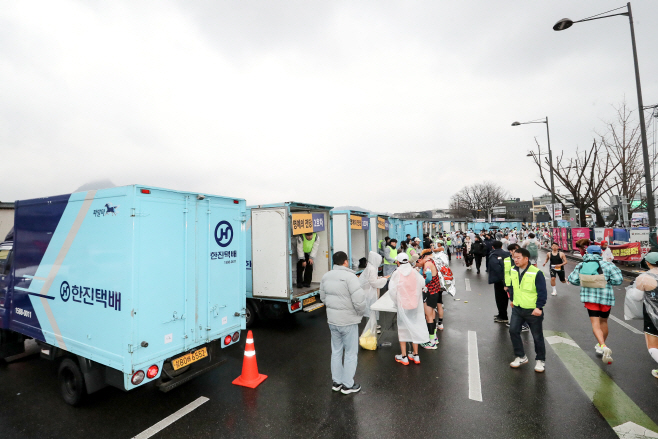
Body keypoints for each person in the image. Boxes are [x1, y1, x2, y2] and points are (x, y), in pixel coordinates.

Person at [319, 251, 366, 394]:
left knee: (336, 352)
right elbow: (359, 301)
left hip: (333, 321)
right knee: (351, 353)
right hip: (348, 321)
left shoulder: (326, 276)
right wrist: (359, 313)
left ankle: (336, 382)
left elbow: (323, 297)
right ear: (345, 261)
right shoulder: (350, 277)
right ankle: (347, 385)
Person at [567, 245, 623, 365]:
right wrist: (606, 282)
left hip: (590, 299)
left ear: (587, 253)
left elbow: (572, 280)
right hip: (606, 298)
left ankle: (602, 345)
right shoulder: (608, 264)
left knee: (595, 323)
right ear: (600, 252)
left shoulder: (581, 265)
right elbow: (618, 280)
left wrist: (585, 282)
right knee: (604, 322)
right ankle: (601, 345)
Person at [508, 248, 548, 373]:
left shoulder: (536, 272)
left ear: (526, 258)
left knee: (537, 336)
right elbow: (512, 286)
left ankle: (540, 360)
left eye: (518, 257)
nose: (515, 260)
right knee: (513, 330)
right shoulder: (513, 270)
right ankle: (521, 356)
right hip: (518, 308)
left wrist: (539, 307)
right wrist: (512, 299)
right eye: (514, 257)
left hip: (532, 310)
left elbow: (542, 292)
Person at [389, 253, 430, 365]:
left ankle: (404, 357)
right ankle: (415, 355)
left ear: (398, 262)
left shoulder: (397, 273)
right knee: (414, 327)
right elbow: (422, 283)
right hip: (414, 305)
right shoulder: (414, 272)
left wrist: (396, 301)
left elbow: (392, 290)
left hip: (403, 306)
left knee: (402, 329)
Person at [627, 252, 658, 378]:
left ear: (648, 263)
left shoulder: (644, 278)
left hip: (652, 315)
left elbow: (637, 297)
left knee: (652, 346)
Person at [417, 249, 442, 349]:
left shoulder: (427, 264)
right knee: (432, 314)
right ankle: (434, 337)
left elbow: (428, 277)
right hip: (435, 292)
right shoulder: (432, 262)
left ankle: (431, 342)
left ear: (423, 257)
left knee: (428, 317)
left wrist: (422, 283)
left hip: (429, 293)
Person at [359, 251, 389, 326]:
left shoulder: (370, 267)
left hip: (368, 290)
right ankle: (371, 327)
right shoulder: (372, 268)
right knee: (371, 308)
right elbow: (373, 282)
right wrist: (384, 279)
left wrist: (380, 278)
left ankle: (372, 325)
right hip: (369, 291)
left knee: (370, 308)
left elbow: (372, 279)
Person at [489, 241, 511, 323]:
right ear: (502, 246)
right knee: (505, 298)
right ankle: (501, 314)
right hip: (507, 279)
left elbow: (495, 267)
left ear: (493, 247)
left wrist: (501, 277)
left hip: (499, 280)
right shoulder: (507, 253)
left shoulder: (493, 255)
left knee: (499, 298)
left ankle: (503, 316)